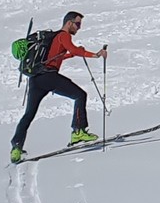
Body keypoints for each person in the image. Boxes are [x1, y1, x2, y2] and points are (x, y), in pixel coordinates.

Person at [10, 11, 105, 161]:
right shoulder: (63, 35)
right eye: (78, 24)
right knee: (80, 95)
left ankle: (16, 148)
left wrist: (70, 55)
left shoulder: (54, 37)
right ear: (69, 23)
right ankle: (78, 131)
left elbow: (55, 56)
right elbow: (73, 49)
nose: (79, 28)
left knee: (29, 114)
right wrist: (95, 55)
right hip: (49, 77)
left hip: (36, 79)